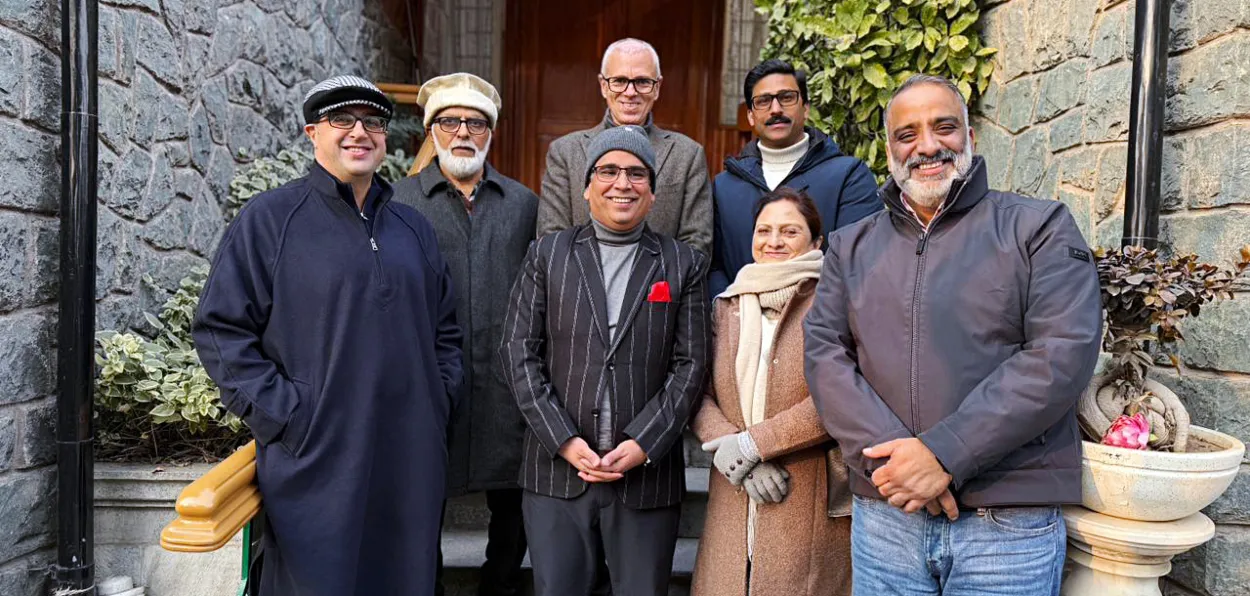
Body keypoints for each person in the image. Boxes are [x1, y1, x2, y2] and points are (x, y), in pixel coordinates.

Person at [803, 74, 1102, 595]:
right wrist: (900, 466)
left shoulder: (1039, 227)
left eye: (944, 127)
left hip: (1006, 522)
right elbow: (826, 356)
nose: (928, 145)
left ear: (970, 137)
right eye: (907, 133)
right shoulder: (850, 247)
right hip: (888, 517)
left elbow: (1061, 354)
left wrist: (944, 454)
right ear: (889, 148)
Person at [193, 75, 463, 595]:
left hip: (411, 462)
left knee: (408, 581)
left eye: (373, 123)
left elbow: (446, 331)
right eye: (342, 120)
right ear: (312, 132)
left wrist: (437, 402)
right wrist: (290, 418)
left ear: (386, 139)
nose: (359, 132)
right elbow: (221, 330)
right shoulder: (270, 221)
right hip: (316, 463)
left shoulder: (415, 230)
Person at [500, 125, 711, 596]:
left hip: (646, 480)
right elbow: (517, 352)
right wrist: (563, 439)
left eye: (637, 174)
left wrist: (643, 442)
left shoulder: (681, 264)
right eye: (609, 171)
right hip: (556, 474)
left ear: (653, 193)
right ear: (587, 186)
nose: (623, 183)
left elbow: (691, 364)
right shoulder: (547, 254)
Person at [393, 72, 537, 596]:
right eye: (449, 121)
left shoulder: (524, 204)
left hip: (507, 383)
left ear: (490, 133)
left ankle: (495, 587)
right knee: (421, 501)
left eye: (475, 123)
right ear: (431, 131)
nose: (462, 133)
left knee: (515, 505)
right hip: (428, 382)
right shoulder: (398, 203)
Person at [692, 188, 852, 596]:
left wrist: (754, 444)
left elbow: (840, 395)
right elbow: (697, 392)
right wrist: (732, 451)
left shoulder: (838, 304)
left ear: (816, 242)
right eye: (764, 230)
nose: (774, 241)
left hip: (805, 489)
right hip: (732, 491)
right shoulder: (725, 307)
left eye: (789, 231)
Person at [709, 59, 879, 296]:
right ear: (750, 115)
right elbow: (713, 265)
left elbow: (859, 264)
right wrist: (731, 315)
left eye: (786, 97)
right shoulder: (724, 187)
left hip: (819, 327)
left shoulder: (848, 177)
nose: (776, 109)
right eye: (763, 101)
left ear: (805, 108)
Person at [538, 38, 712, 255]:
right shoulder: (565, 152)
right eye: (619, 81)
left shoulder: (687, 154)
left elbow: (697, 244)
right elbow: (551, 239)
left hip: (662, 286)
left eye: (642, 81)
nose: (630, 92)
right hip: (579, 286)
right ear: (603, 86)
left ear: (657, 87)